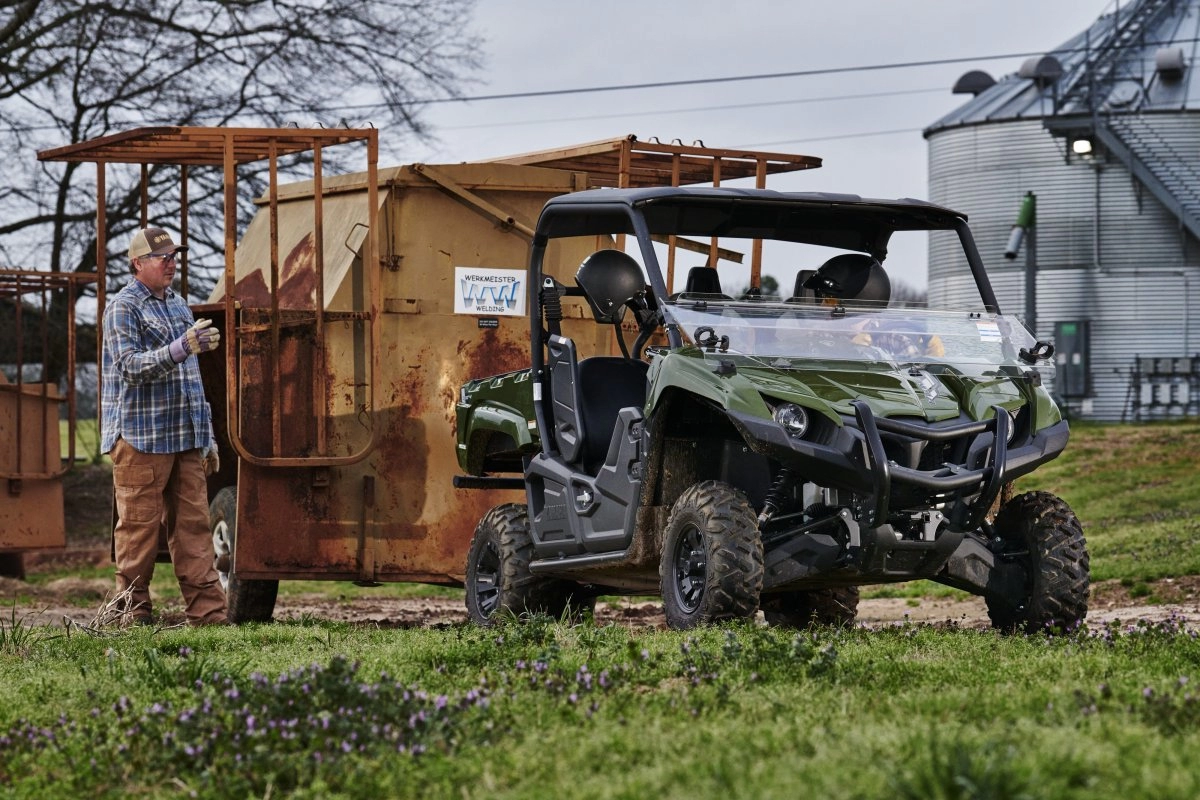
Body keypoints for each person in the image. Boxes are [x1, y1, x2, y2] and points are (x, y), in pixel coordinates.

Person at [100, 226, 227, 626]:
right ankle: (131, 616)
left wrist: (207, 437)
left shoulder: (178, 305)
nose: (171, 264)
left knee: (195, 529)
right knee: (138, 532)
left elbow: (192, 379)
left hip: (185, 437)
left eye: (174, 257)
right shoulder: (122, 308)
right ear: (137, 264)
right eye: (162, 258)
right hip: (141, 438)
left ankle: (209, 617)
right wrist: (180, 347)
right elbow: (129, 367)